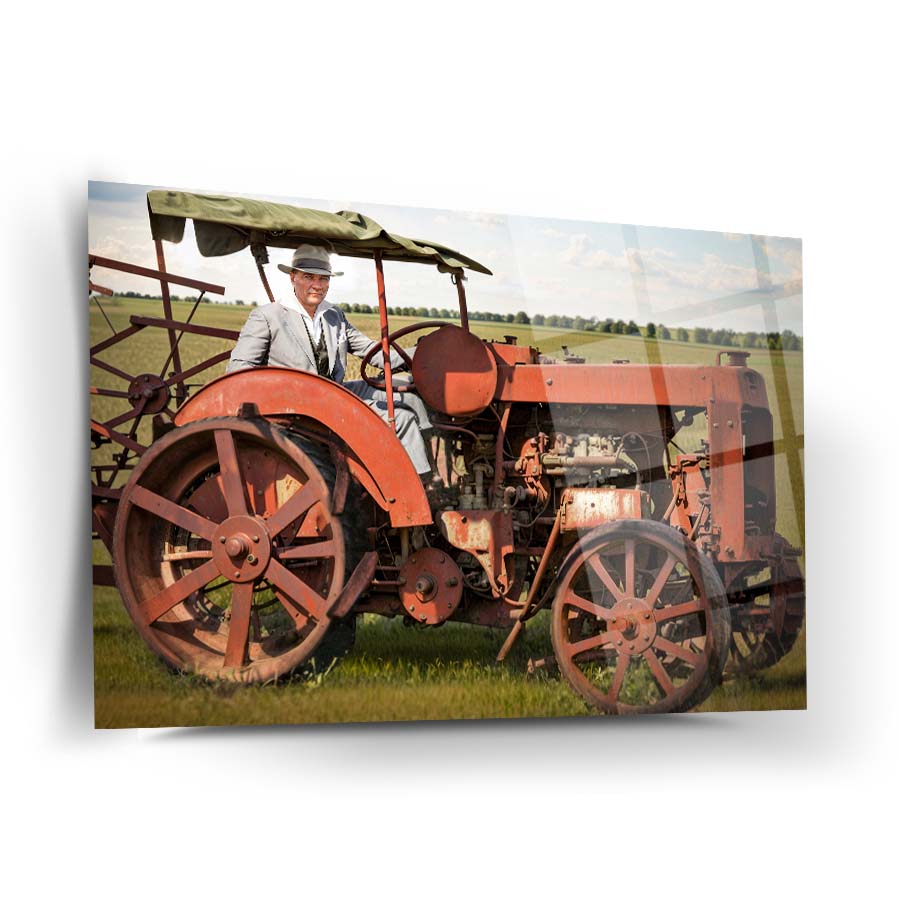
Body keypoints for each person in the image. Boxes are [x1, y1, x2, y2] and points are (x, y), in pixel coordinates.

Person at [226, 244, 434, 478]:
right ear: (293, 277)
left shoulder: (334, 315)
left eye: (323, 278)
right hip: (302, 408)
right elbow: (239, 370)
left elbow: (373, 353)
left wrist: (424, 352)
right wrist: (283, 393)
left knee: (408, 395)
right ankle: (420, 487)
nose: (317, 285)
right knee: (402, 419)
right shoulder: (267, 316)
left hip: (335, 393)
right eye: (308, 277)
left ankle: (430, 465)